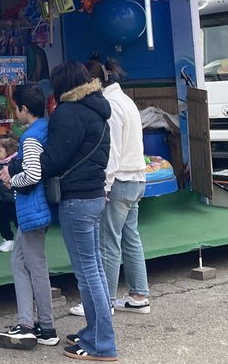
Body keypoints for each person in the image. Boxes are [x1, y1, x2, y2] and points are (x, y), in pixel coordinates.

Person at [40, 61, 117, 362]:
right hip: (95, 196)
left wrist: (19, 168)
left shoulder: (68, 112)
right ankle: (94, 331)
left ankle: (102, 343)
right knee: (93, 269)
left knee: (88, 275)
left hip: (78, 201)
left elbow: (55, 158)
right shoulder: (97, 110)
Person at [0, 84, 58, 349]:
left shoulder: (31, 139)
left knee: (36, 266)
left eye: (16, 108)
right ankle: (26, 323)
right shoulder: (45, 129)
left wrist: (11, 179)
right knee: (20, 262)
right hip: (34, 209)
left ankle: (45, 326)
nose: (15, 113)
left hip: (33, 208)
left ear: (24, 109)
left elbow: (32, 174)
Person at [87, 58, 151, 315]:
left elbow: (111, 151)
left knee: (108, 242)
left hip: (120, 181)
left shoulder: (111, 105)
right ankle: (139, 295)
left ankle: (105, 301)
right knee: (131, 238)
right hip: (137, 179)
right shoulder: (126, 101)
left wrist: (105, 186)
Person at [0, 135, 20, 253]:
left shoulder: (16, 163)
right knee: (1, 222)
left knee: (19, 222)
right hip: (2, 200)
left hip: (15, 200)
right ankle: (8, 239)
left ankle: (23, 241)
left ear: (9, 151)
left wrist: (12, 185)